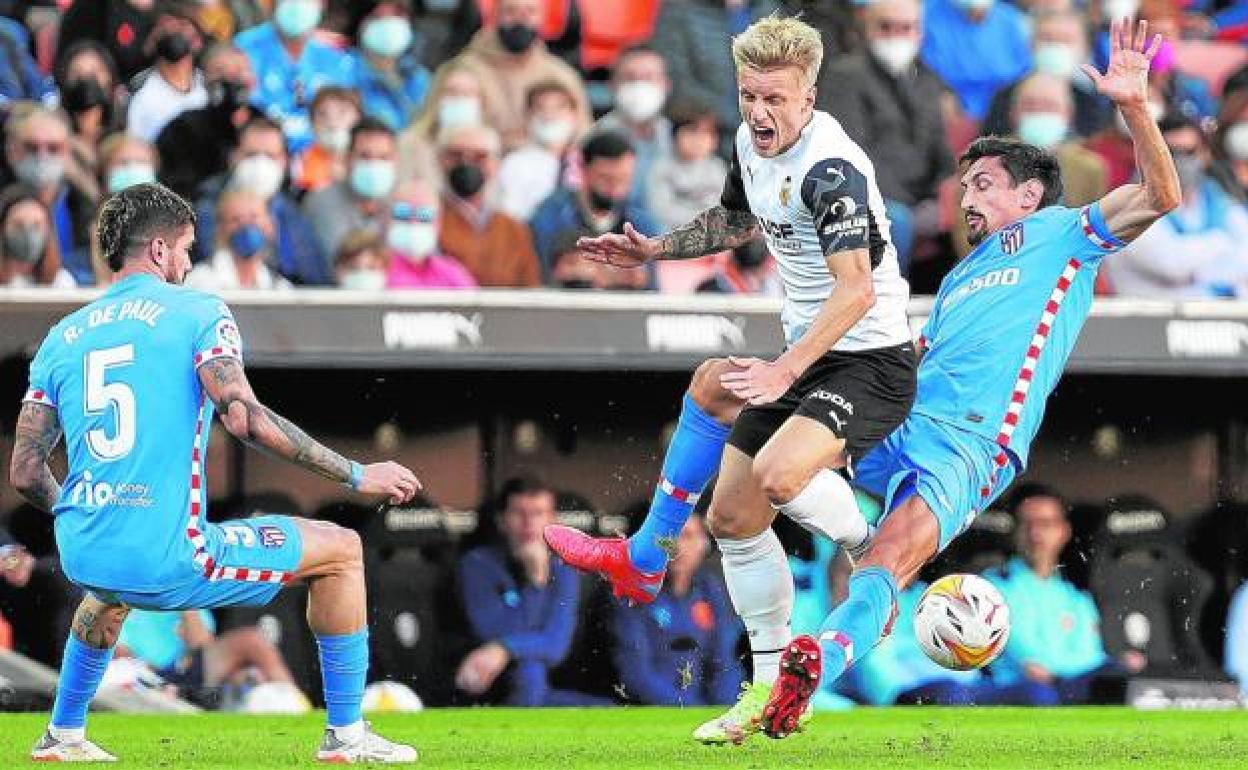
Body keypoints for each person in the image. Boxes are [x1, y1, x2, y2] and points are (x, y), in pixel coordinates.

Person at [758, 19, 1180, 739]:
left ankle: (813, 661)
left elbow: (1158, 195)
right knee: (776, 440)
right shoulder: (956, 279)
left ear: (1028, 196)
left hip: (972, 443)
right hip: (906, 416)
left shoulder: (1063, 233)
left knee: (888, 565)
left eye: (982, 183)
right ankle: (673, 534)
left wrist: (1135, 106)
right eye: (962, 187)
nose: (966, 198)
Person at [545, 16, 916, 744]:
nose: (759, 112)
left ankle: (871, 545)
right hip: (808, 354)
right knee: (731, 512)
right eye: (750, 95)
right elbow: (736, 221)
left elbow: (856, 293)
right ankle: (762, 684)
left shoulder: (831, 170)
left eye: (776, 99)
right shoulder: (750, 143)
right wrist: (655, 248)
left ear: (808, 97)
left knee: (778, 476)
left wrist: (784, 369)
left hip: (870, 361)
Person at [9, 181, 421, 762]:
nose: (186, 263)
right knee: (342, 550)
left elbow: (25, 471)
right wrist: (357, 474)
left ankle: (63, 736)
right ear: (158, 250)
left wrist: (90, 511)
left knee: (107, 588)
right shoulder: (200, 310)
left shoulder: (62, 336)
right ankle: (348, 737)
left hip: (85, 549)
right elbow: (245, 419)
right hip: (172, 554)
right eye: (184, 249)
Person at [823, 0, 953, 272]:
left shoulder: (927, 80)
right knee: (896, 220)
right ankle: (890, 307)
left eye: (906, 28)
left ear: (919, 32)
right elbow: (851, 155)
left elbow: (940, 151)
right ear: (867, 28)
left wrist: (943, 193)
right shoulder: (846, 76)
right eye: (886, 27)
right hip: (868, 197)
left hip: (920, 197)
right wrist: (909, 204)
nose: (896, 35)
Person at [983, 484, 1137, 704]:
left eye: (1045, 524)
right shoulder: (992, 588)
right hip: (1022, 693)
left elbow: (1091, 655)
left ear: (1064, 531)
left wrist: (1117, 666)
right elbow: (1031, 662)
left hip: (1072, 688)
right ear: (1014, 531)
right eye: (1026, 524)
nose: (1035, 534)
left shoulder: (1075, 596)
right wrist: (1085, 671)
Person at [456, 476, 601, 706]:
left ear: (553, 521)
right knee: (529, 670)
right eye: (519, 513)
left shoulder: (564, 568)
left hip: (551, 684)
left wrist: (506, 647)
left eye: (538, 513)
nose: (528, 523)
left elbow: (556, 646)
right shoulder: (478, 564)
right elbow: (490, 633)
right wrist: (535, 584)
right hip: (490, 682)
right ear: (501, 520)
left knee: (607, 711)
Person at [1102, 113, 1248, 297]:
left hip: (1209, 319)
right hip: (1140, 320)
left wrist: (1202, 271)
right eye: (1171, 153)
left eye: (1189, 152)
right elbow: (1172, 264)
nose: (1181, 162)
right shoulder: (1129, 204)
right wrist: (1221, 242)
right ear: (1151, 156)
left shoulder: (1218, 200)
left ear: (1205, 154)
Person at [608, 515, 745, 706]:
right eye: (668, 537)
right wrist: (690, 709)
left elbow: (725, 663)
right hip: (647, 711)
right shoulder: (630, 590)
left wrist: (726, 709)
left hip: (700, 710)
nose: (676, 547)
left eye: (687, 536)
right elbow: (636, 674)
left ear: (703, 544)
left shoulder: (709, 588)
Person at [449, 0, 591, 151]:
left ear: (542, 18)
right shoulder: (464, 70)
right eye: (511, 11)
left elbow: (583, 135)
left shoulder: (561, 76)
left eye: (530, 12)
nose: (520, 19)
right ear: (495, 16)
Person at [529, 131, 662, 279]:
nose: (615, 188)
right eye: (606, 179)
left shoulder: (641, 223)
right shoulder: (551, 216)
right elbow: (542, 275)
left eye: (624, 179)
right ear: (583, 169)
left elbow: (650, 286)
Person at [234, 0, 355, 152]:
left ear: (322, 4)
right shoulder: (243, 48)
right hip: (261, 151)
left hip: (324, 156)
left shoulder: (336, 57)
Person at [436, 122, 542, 287]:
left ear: (496, 164)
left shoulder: (514, 230)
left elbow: (529, 289)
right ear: (441, 160)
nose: (467, 163)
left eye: (480, 157)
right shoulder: (426, 218)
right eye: (456, 155)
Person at [3, 104, 97, 285]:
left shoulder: (84, 206)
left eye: (53, 148)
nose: (42, 156)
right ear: (12, 150)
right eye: (31, 147)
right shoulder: (3, 203)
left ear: (67, 152)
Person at [155, 42, 258, 201]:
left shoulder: (265, 124)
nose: (230, 79)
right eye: (220, 71)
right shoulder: (183, 128)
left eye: (239, 71)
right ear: (204, 80)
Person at [302, 117, 399, 263]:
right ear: (347, 159)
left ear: (395, 162)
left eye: (384, 157)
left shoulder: (404, 202)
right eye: (364, 156)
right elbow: (342, 259)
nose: (374, 165)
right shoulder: (322, 202)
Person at [595, 45, 674, 203]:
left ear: (666, 85)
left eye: (648, 78)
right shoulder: (596, 138)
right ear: (612, 85)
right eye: (630, 78)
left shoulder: (676, 136)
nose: (639, 86)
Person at [495, 78, 582, 221]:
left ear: (574, 115)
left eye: (559, 107)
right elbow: (509, 216)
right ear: (528, 116)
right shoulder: (514, 164)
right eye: (541, 108)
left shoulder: (586, 160)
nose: (549, 116)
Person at [126, 6, 208, 142]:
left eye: (182, 24)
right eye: (165, 26)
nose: (173, 29)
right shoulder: (138, 88)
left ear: (197, 40)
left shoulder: (209, 85)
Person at [186, 189, 294, 291]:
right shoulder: (200, 281)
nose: (246, 225)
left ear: (269, 225)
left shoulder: (280, 287)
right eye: (236, 219)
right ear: (221, 228)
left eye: (254, 217)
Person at [348, 1, 431, 132]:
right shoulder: (343, 68)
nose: (389, 23)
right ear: (362, 23)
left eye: (397, 15)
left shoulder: (419, 77)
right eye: (379, 17)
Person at [647, 101, 727, 233]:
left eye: (706, 133)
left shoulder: (718, 169)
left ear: (715, 140)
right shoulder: (661, 169)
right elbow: (660, 210)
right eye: (691, 132)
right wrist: (700, 221)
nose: (698, 140)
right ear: (674, 135)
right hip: (672, 236)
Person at [385, 178, 477, 289]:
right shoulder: (375, 272)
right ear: (388, 219)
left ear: (438, 222)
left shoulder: (452, 274)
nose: (413, 222)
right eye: (402, 213)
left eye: (424, 214)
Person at [0, 184, 75, 288]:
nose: (27, 233)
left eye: (37, 226)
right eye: (18, 225)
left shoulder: (61, 282)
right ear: (3, 228)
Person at [293, 86, 361, 195]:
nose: (332, 122)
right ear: (312, 123)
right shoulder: (299, 163)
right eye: (322, 114)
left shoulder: (369, 158)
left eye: (342, 112)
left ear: (358, 118)